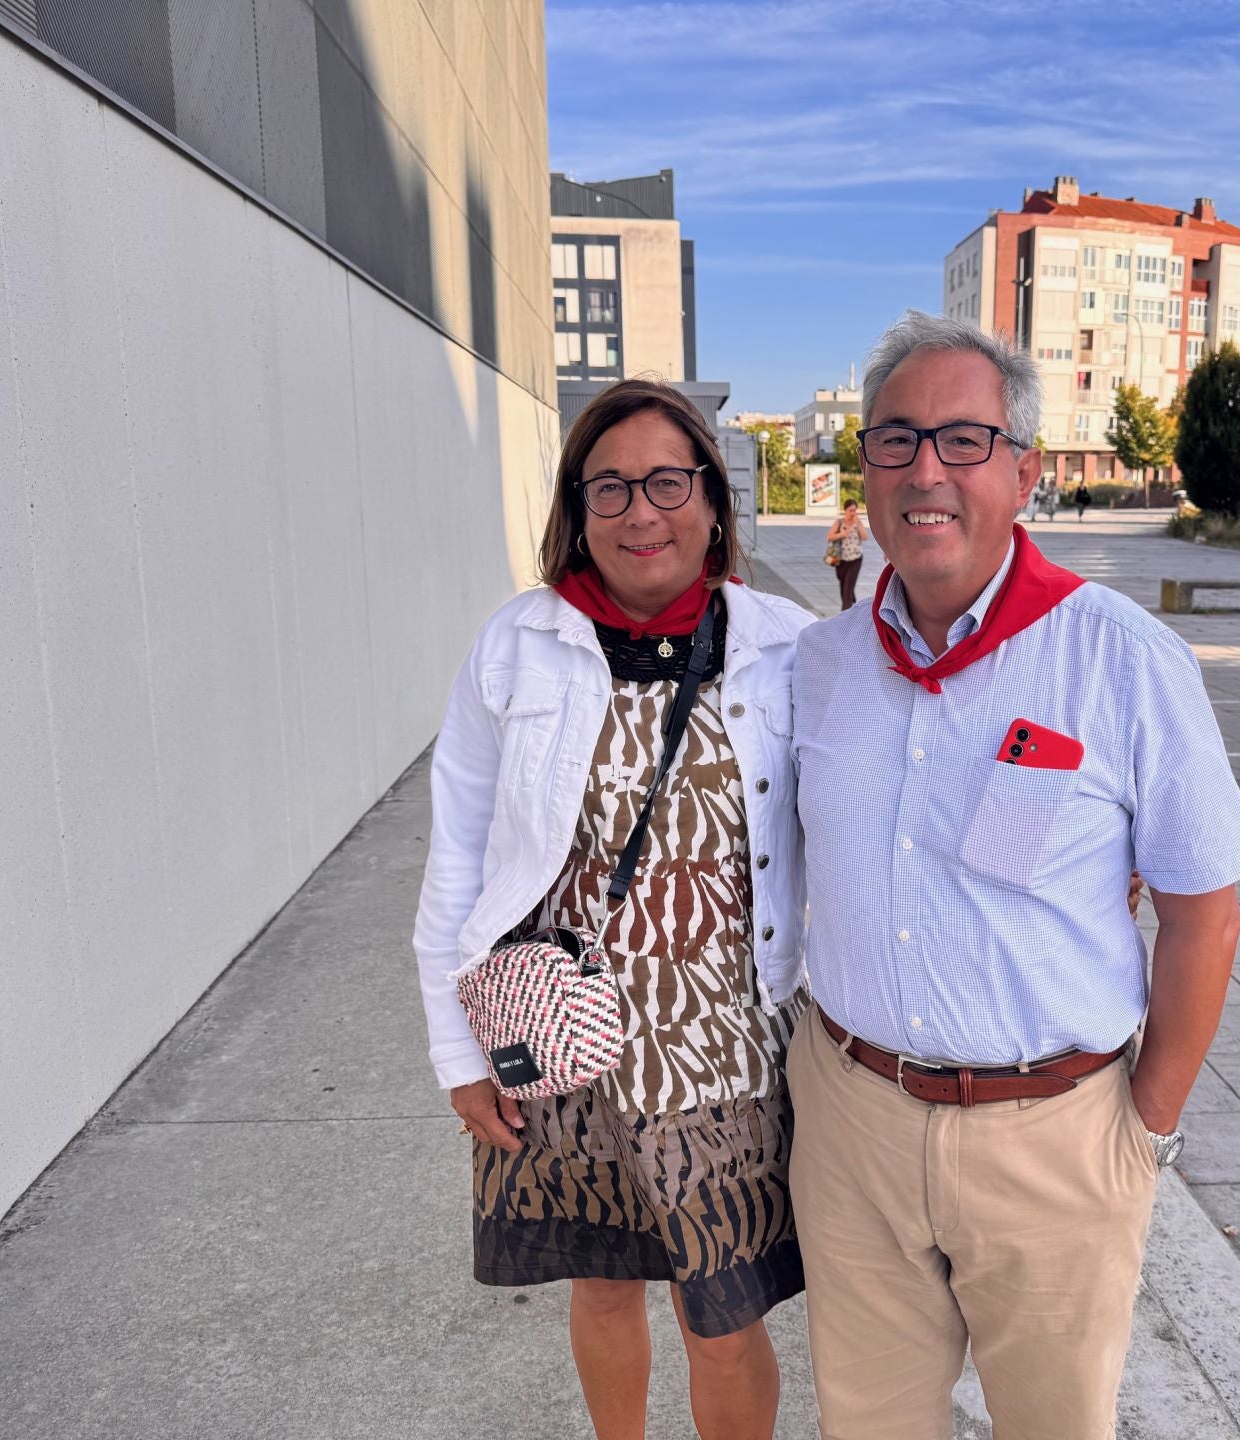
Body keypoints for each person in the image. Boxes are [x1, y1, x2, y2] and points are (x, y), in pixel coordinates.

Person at [787, 312, 1240, 1440]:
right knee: (867, 1426)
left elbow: (1206, 917)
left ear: (1026, 472)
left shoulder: (1121, 658)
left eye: (965, 439)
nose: (926, 471)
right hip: (851, 1124)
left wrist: (1144, 1132)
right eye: (896, 439)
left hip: (1052, 1141)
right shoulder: (819, 663)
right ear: (868, 466)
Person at [412, 379, 812, 1440]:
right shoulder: (518, 645)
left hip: (724, 1040)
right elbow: (457, 860)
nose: (642, 512)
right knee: (600, 1285)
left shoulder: (786, 645)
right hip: (558, 1035)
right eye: (612, 488)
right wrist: (459, 1055)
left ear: (712, 500)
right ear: (578, 510)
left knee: (722, 1316)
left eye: (668, 482)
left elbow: (877, 793)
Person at [825, 498, 869, 611]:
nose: (853, 513)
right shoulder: (839, 522)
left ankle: (845, 613)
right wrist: (842, 534)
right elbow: (829, 536)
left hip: (856, 559)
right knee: (844, 586)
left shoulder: (858, 523)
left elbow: (865, 537)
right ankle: (854, 610)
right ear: (845, 510)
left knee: (848, 587)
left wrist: (858, 523)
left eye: (855, 510)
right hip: (841, 560)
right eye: (850, 510)